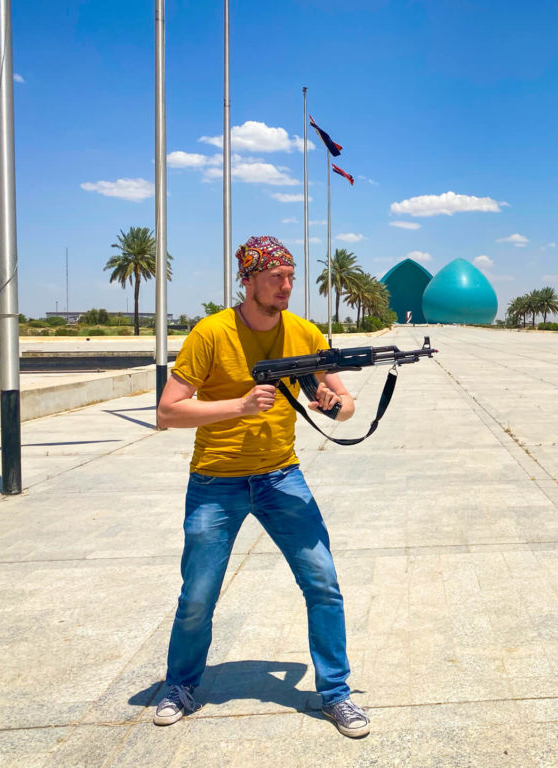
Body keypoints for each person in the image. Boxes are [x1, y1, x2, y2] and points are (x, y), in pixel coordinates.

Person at [154, 235, 368, 738]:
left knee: (323, 583)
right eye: (276, 278)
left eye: (291, 277)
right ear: (247, 280)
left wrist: (338, 407)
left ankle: (336, 693)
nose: (287, 287)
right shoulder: (211, 333)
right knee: (198, 596)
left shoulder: (304, 332)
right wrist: (239, 406)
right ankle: (180, 685)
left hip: (280, 476)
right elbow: (167, 411)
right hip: (215, 482)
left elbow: (346, 399)